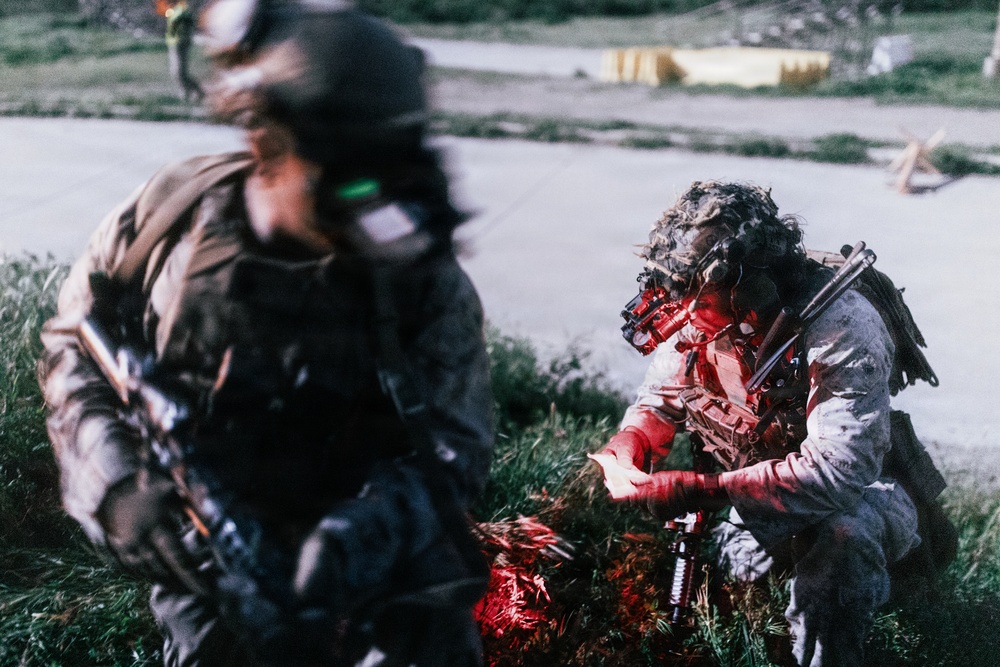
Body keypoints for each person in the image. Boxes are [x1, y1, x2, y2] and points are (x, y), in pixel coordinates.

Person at [38, 3, 494, 665]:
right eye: (348, 179)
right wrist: (114, 485)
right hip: (214, 573)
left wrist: (356, 538)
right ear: (267, 144)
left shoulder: (420, 274)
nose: (375, 205)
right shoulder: (167, 224)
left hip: (390, 585)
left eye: (391, 171)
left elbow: (457, 446)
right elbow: (76, 343)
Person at [595, 180, 952, 666]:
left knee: (844, 540)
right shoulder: (697, 310)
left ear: (750, 287)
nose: (686, 315)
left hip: (865, 494)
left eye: (698, 301)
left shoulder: (841, 325)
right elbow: (659, 400)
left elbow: (837, 474)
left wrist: (696, 488)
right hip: (759, 492)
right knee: (735, 583)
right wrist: (634, 437)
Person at [165, 0, 204, 102]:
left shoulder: (181, 11)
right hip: (174, 44)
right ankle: (186, 93)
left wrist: (186, 38)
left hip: (180, 44)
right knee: (177, 72)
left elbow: (189, 22)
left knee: (179, 72)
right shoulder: (173, 11)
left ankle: (196, 92)